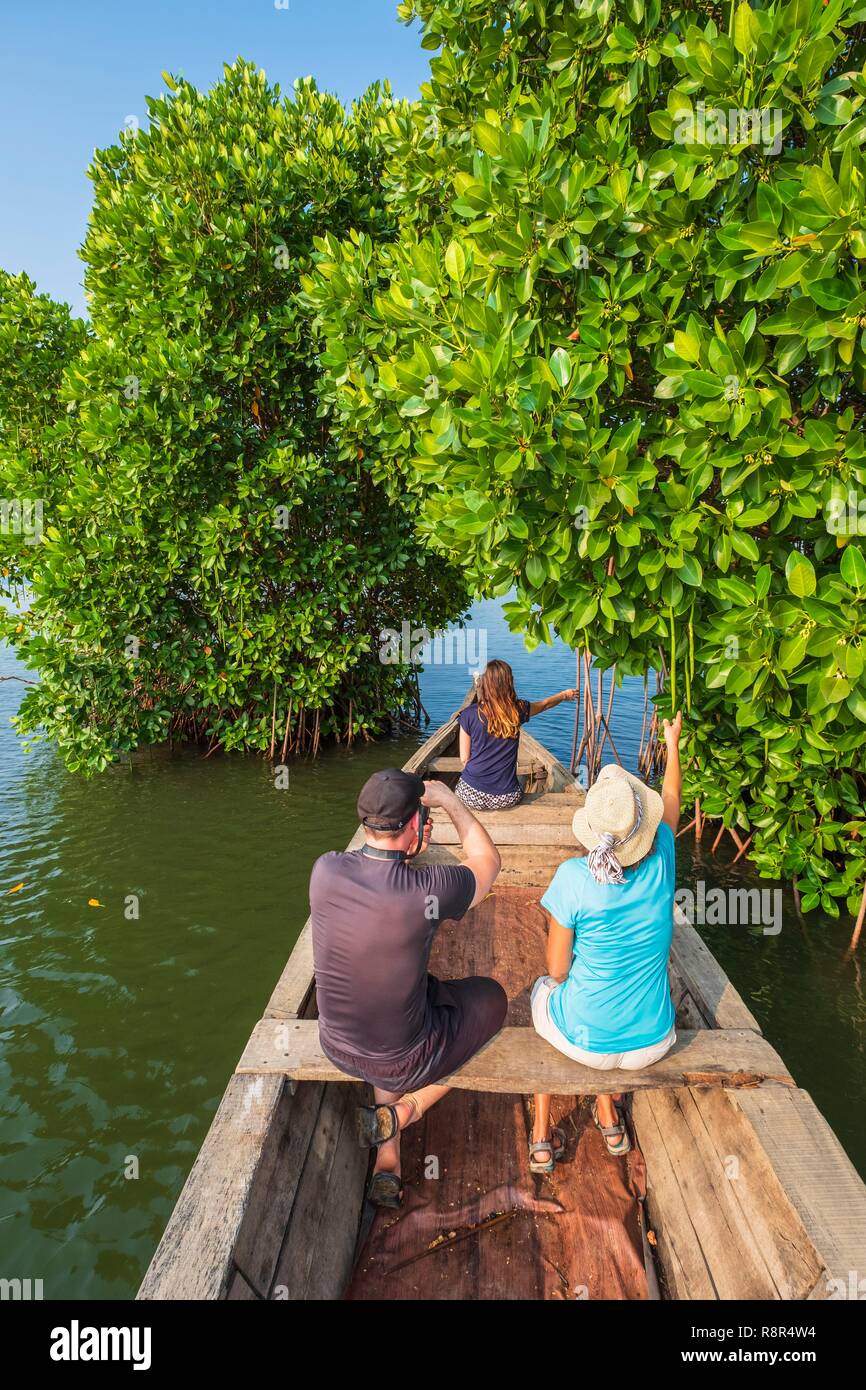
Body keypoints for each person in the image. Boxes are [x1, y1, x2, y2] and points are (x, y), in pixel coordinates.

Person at [309, 768, 506, 1208]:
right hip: (405, 1059)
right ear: (415, 824)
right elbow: (488, 862)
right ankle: (401, 1114)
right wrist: (451, 802)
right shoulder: (426, 890)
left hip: (336, 1044)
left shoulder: (324, 870)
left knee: (393, 1011)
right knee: (494, 999)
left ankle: (388, 1154)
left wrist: (410, 845)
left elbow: (377, 884)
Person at [527, 712, 682, 1171]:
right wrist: (672, 745)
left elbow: (557, 971)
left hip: (584, 1040)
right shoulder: (662, 861)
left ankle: (540, 1133)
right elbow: (671, 798)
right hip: (654, 1040)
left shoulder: (573, 878)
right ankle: (608, 1110)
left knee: (542, 988)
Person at [456, 659, 577, 811]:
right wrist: (564, 695)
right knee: (518, 782)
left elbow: (464, 759)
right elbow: (545, 704)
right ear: (509, 682)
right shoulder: (518, 710)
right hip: (506, 797)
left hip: (470, 795)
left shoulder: (468, 715)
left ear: (484, 683)